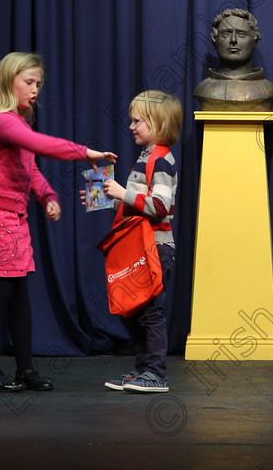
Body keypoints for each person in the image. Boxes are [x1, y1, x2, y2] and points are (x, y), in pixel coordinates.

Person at [0, 52, 116, 392]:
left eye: (38, 84)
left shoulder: (19, 123)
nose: (35, 90)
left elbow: (28, 168)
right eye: (29, 83)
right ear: (8, 82)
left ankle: (24, 370)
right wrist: (84, 152)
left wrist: (47, 196)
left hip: (13, 219)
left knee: (20, 297)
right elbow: (39, 145)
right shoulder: (1, 120)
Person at [95, 90, 182, 393]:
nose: (131, 127)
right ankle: (143, 370)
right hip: (141, 246)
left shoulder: (160, 159)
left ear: (157, 123)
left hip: (156, 247)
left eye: (137, 121)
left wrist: (121, 192)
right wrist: (106, 197)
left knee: (150, 311)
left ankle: (156, 373)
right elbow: (136, 203)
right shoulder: (147, 156)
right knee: (137, 311)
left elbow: (160, 206)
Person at [193, 8, 273, 111]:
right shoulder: (204, 90)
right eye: (226, 34)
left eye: (241, 34)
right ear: (214, 40)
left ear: (255, 41)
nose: (233, 40)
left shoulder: (267, 91)